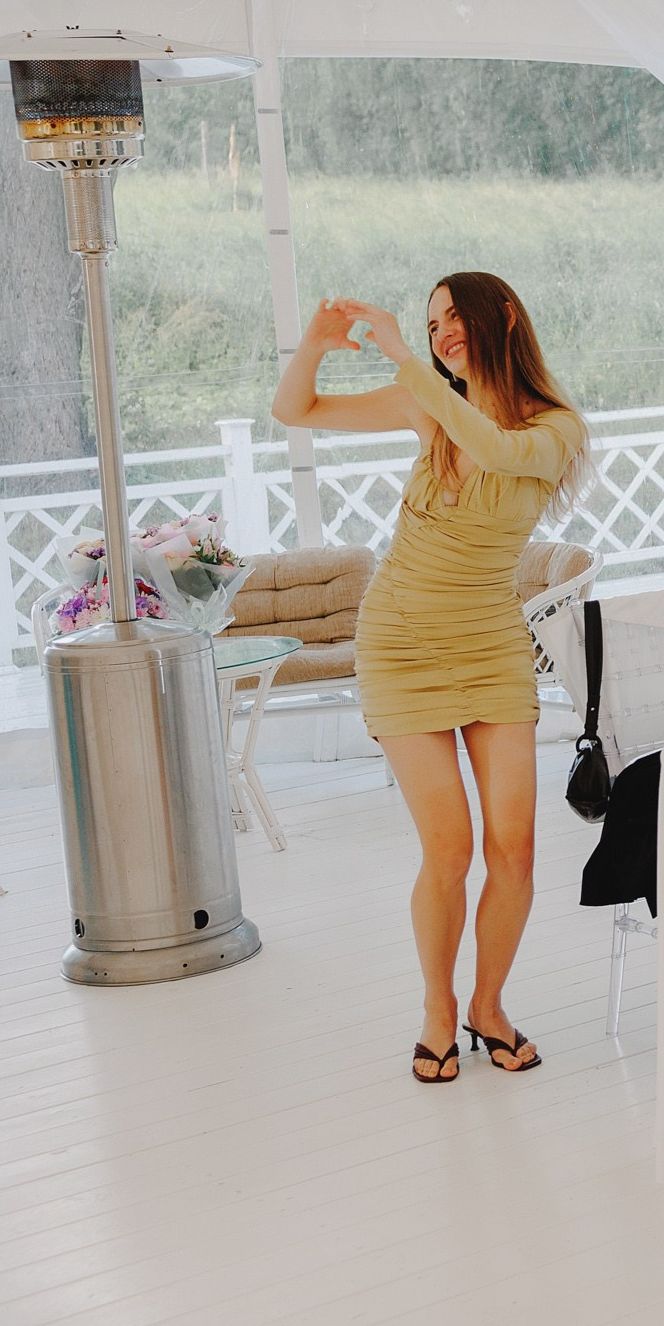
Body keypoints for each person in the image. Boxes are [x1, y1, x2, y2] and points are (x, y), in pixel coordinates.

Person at [271, 274, 588, 1083]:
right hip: (401, 644)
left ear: (503, 316)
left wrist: (407, 360)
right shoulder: (428, 403)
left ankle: (488, 1005)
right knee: (448, 850)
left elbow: (496, 448)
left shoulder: (553, 428)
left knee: (513, 848)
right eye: (431, 322)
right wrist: (314, 346)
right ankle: (438, 1009)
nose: (442, 331)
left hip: (490, 645)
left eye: (454, 316)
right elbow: (294, 410)